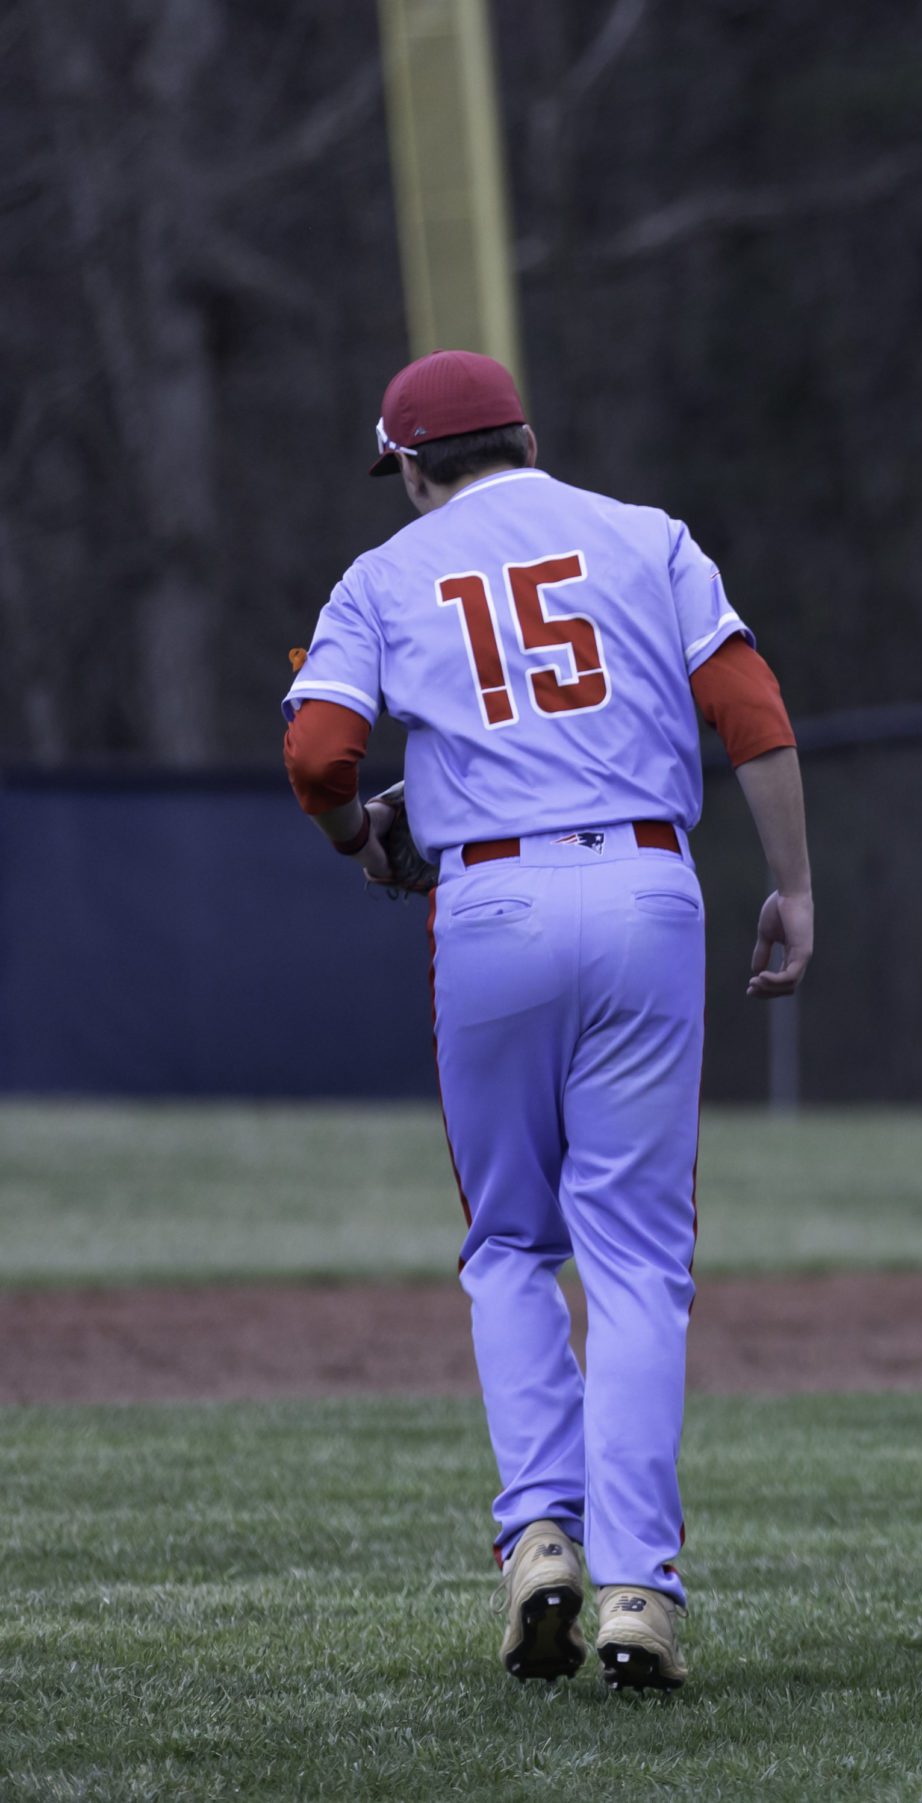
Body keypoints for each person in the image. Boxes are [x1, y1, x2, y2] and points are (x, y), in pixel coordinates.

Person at [281, 349, 813, 1691]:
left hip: (491, 904)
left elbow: (316, 753)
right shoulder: (647, 535)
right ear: (528, 437)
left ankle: (539, 1542)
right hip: (646, 885)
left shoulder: (386, 575)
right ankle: (639, 1590)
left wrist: (363, 836)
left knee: (511, 1242)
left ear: (412, 466)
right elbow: (750, 712)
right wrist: (796, 885)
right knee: (636, 1259)